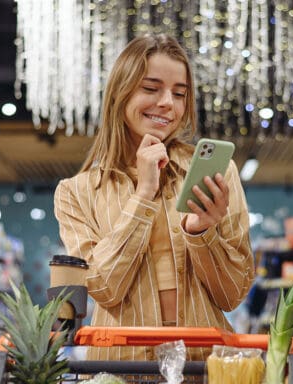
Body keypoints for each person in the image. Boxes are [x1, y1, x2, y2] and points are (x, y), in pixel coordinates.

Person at [54, 34, 254, 361]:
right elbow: (104, 288)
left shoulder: (215, 174)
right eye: (151, 88)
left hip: (202, 367)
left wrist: (200, 232)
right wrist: (143, 194)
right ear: (121, 92)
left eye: (179, 94)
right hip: (119, 371)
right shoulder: (76, 192)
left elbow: (232, 294)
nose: (167, 103)